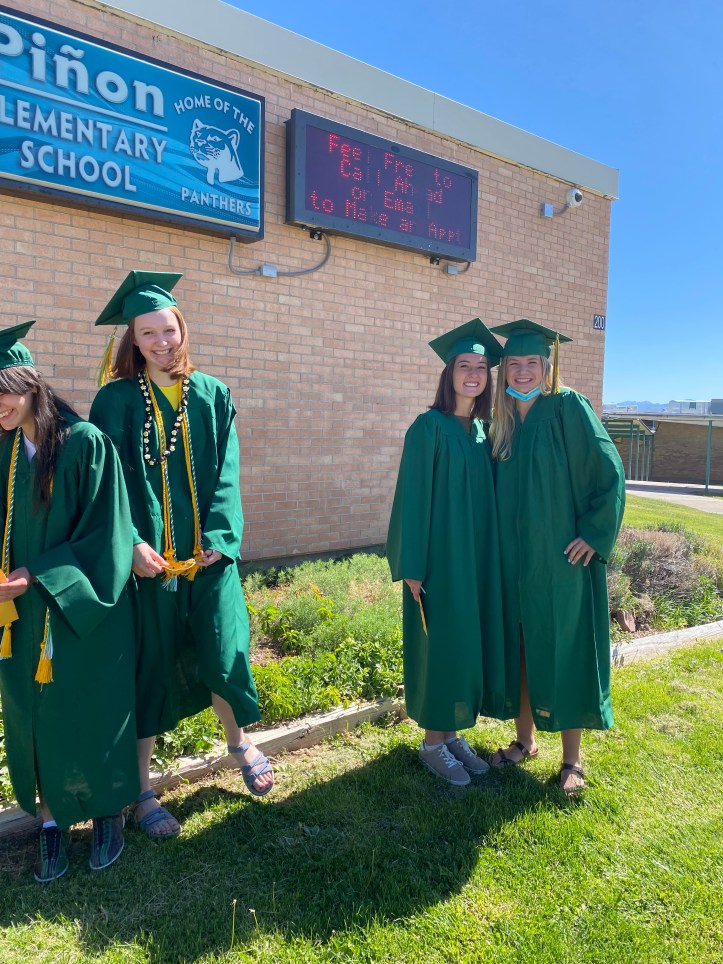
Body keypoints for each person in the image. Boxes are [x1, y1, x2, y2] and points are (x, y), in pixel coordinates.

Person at [89, 271, 273, 839]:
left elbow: (228, 473)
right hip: (148, 567)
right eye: (148, 333)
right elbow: (105, 484)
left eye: (168, 329)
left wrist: (220, 538)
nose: (161, 341)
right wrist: (129, 544)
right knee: (149, 665)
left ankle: (239, 744)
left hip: (209, 561)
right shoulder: (115, 400)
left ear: (182, 328)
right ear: (133, 339)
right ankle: (141, 789)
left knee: (224, 648)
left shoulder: (212, 394)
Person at [0, 321, 138, 881]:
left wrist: (37, 575)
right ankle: (52, 820)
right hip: (21, 613)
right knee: (34, 714)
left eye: (3, 392)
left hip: (83, 607)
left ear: (30, 384)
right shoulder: (6, 451)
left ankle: (107, 813)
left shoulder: (85, 444)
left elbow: (108, 536)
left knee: (90, 704)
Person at [488, 319, 626, 795]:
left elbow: (609, 469)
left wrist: (594, 533)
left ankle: (573, 761)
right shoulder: (503, 419)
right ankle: (524, 741)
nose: (523, 371)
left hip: (561, 560)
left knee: (565, 648)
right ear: (504, 370)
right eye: (514, 363)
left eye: (532, 362)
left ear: (547, 367)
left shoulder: (568, 407)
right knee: (523, 648)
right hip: (514, 561)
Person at [386, 318, 507, 786]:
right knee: (440, 645)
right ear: (449, 373)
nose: (473, 374)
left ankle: (451, 734)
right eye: (464, 366)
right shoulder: (428, 428)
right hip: (439, 560)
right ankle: (432, 743)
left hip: (475, 557)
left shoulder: (483, 431)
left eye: (480, 367)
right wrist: (412, 566)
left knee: (463, 643)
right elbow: (411, 499)